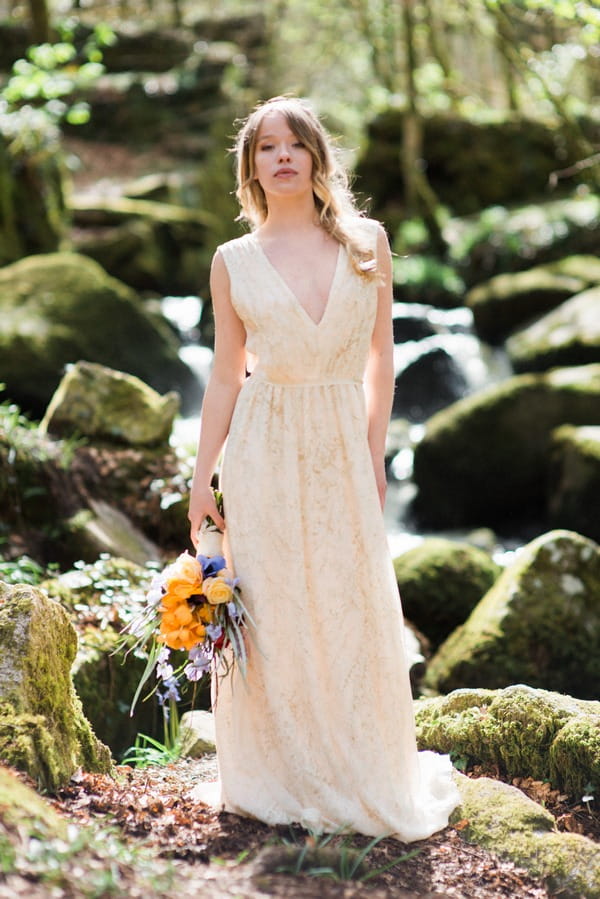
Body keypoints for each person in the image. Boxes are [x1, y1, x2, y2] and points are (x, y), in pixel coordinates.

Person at [187, 96, 460, 840]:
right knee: (274, 608)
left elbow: (381, 360)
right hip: (262, 445)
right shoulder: (233, 261)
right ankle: (281, 773)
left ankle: (361, 770)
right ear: (250, 169)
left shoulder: (368, 243)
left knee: (350, 602)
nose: (281, 156)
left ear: (315, 158)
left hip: (341, 444)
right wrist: (201, 476)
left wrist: (372, 452)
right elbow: (223, 376)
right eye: (266, 147)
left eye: (293, 145)